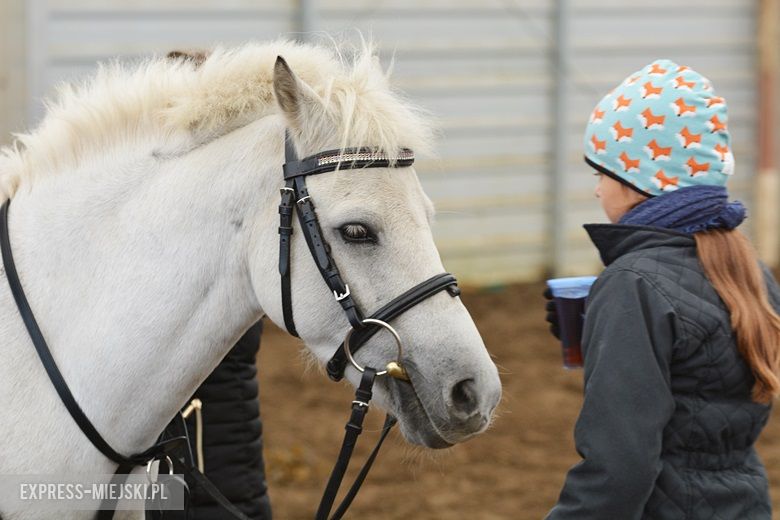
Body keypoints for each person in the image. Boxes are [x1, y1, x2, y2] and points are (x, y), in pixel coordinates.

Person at [544, 59, 780, 519]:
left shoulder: (633, 284)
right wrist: (604, 328)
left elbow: (618, 470)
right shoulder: (747, 266)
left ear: (638, 184)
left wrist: (619, 318)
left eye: (602, 174)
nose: (597, 191)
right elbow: (704, 382)